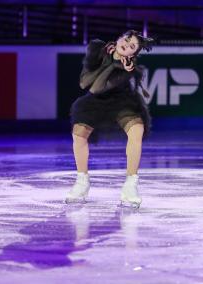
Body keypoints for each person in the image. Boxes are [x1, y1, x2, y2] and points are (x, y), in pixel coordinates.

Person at [65, 30, 155, 208]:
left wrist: (117, 66)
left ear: (133, 54)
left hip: (122, 101)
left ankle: (131, 185)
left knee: (137, 129)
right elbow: (87, 85)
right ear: (120, 36)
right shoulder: (97, 49)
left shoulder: (129, 68)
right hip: (95, 101)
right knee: (79, 133)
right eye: (127, 40)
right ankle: (82, 182)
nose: (127, 45)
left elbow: (100, 87)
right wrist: (111, 64)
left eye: (132, 47)